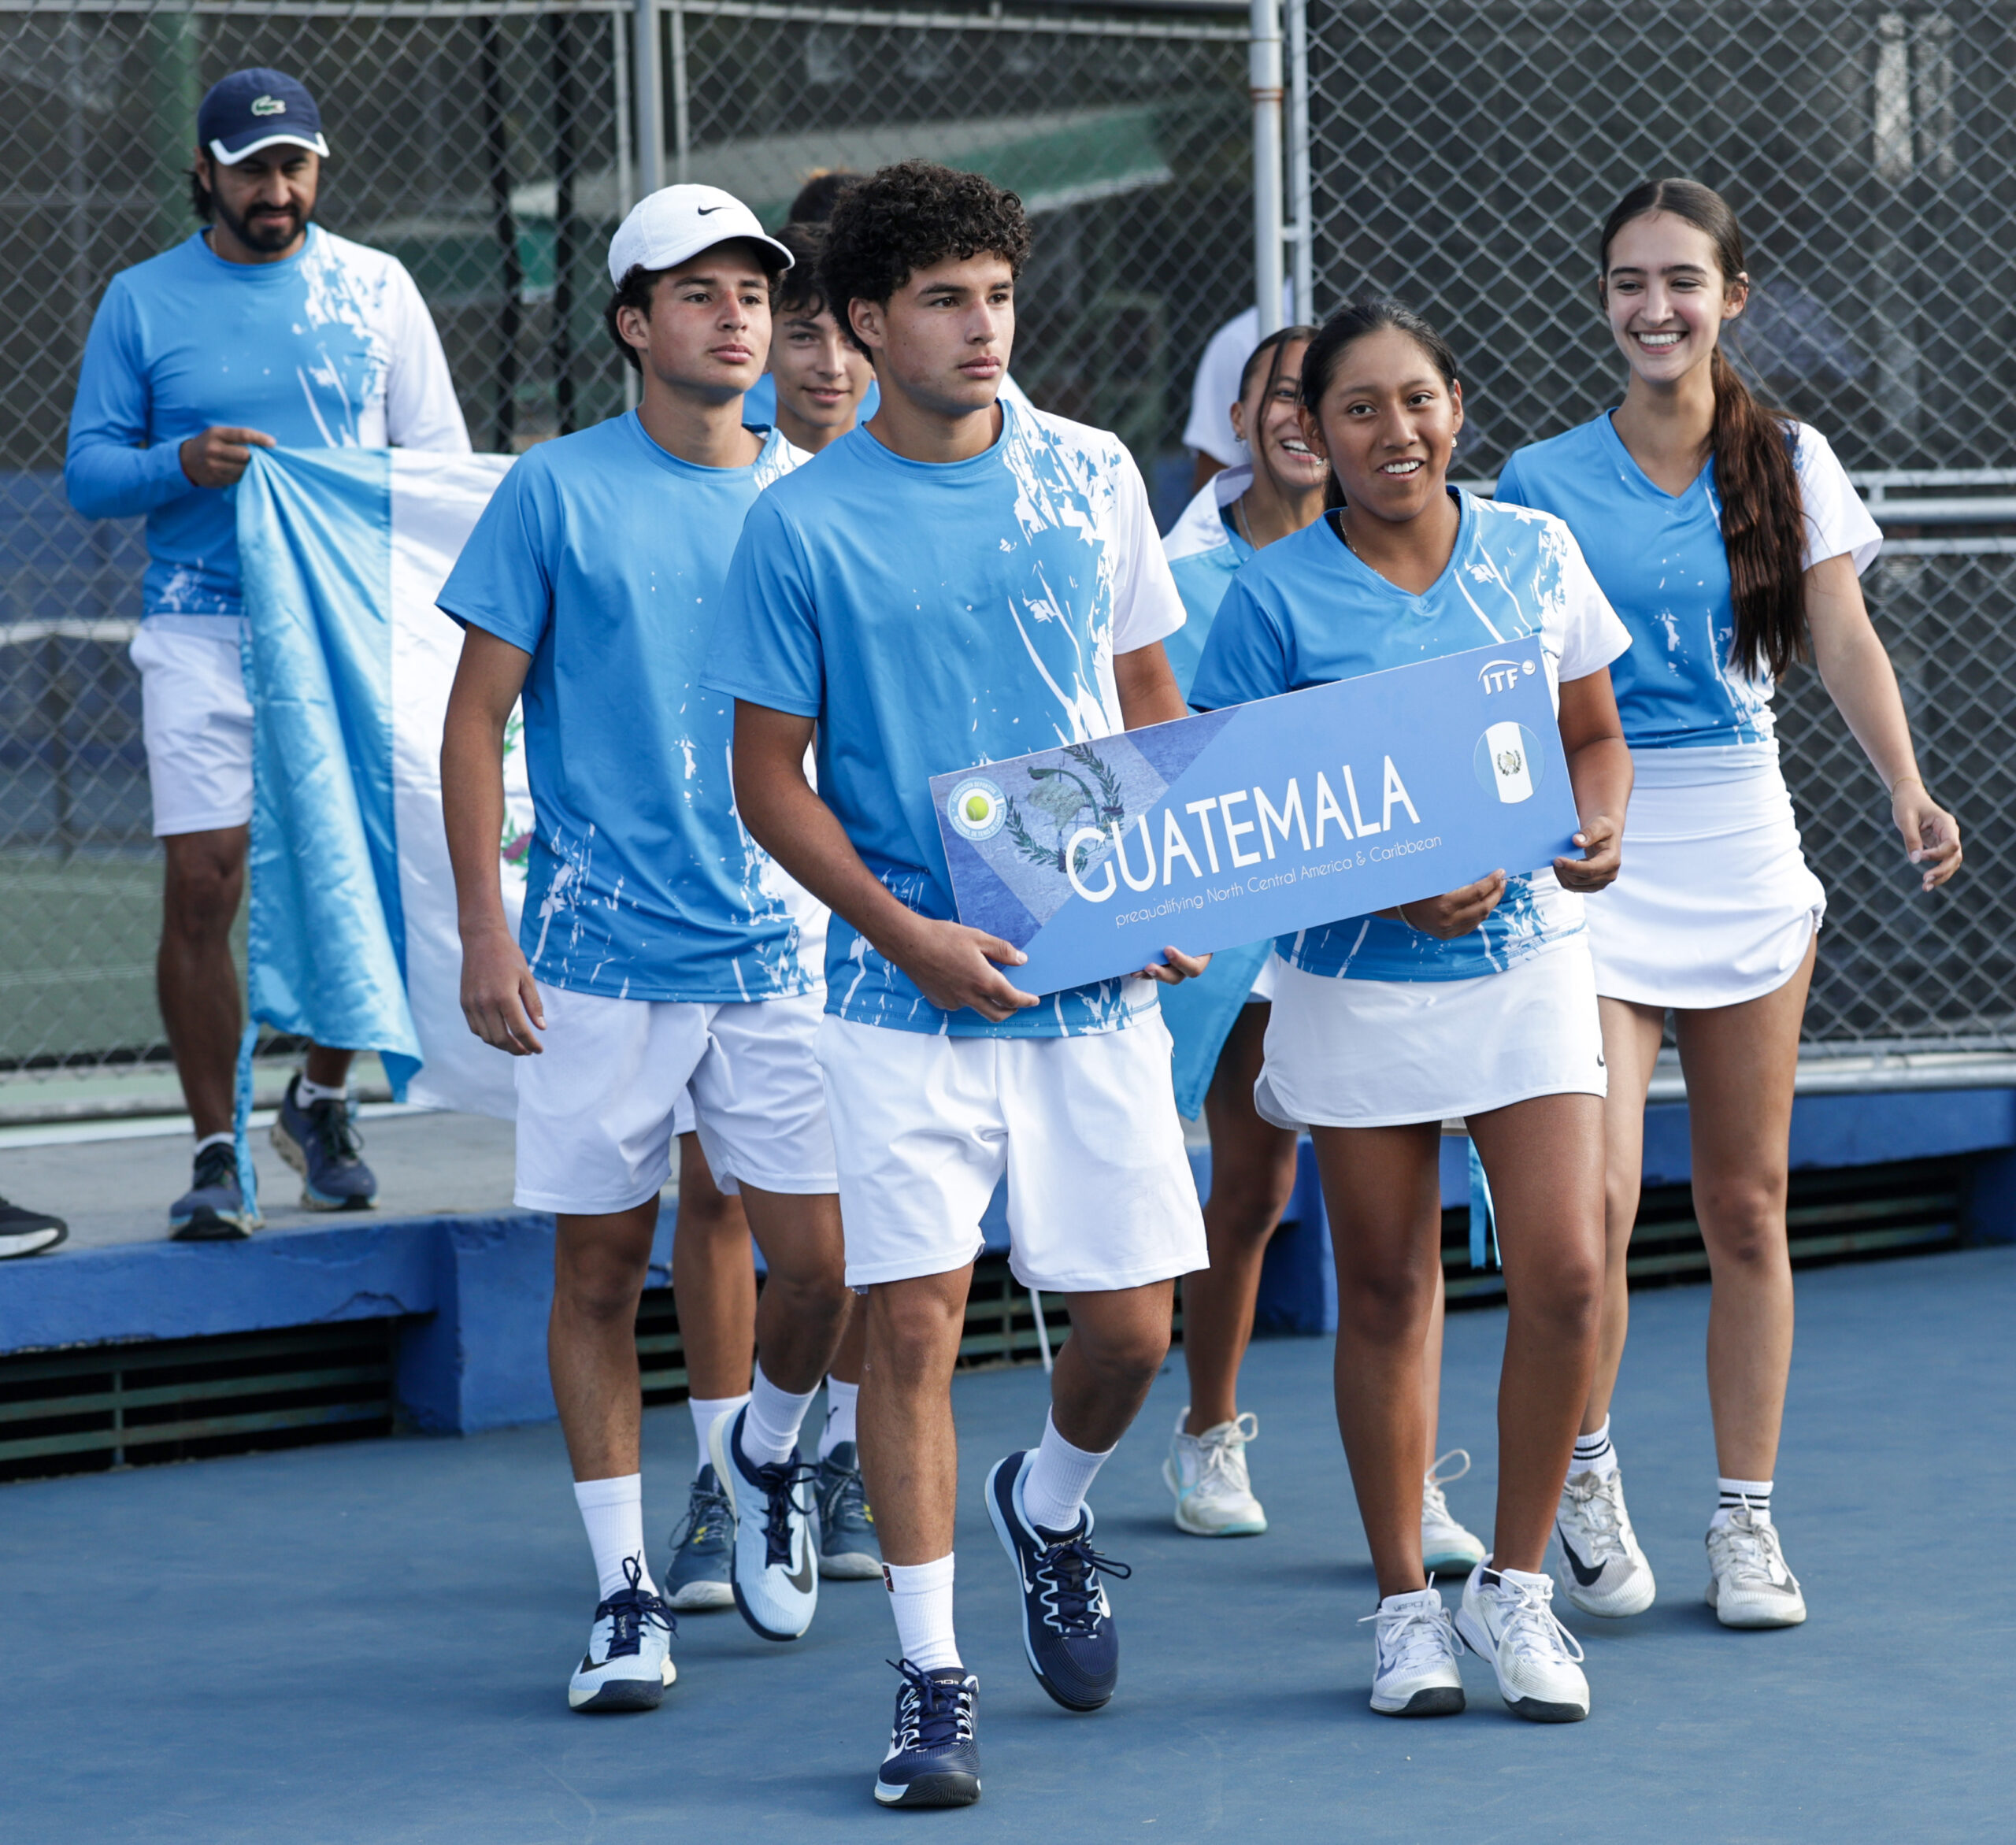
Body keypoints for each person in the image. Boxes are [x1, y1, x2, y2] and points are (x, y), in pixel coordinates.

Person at [709, 160, 1210, 1809]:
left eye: (996, 294)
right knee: (912, 1321)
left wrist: (1167, 880)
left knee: (1131, 1331)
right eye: (943, 299)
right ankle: (932, 1676)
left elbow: (1145, 689)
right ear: (863, 320)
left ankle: (1046, 1505)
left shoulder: (1092, 471)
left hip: (1091, 983)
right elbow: (768, 779)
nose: (982, 326)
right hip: (894, 996)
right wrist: (902, 929)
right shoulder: (797, 523)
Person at [1493, 177, 1962, 1631]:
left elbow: (1843, 632)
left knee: (1748, 1205)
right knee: (1595, 1209)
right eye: (1629, 281)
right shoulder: (1537, 480)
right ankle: (1582, 1470)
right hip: (1597, 848)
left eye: (1682, 280)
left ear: (1731, 297)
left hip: (1744, 847)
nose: (1656, 307)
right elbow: (1511, 680)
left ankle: (1746, 1521)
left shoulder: (1792, 456)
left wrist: (1907, 785)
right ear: (1603, 300)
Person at [437, 184, 853, 1713]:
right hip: (596, 962)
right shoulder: (552, 491)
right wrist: (486, 926)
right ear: (631, 322)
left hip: (780, 955)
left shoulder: (814, 500)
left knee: (824, 1266)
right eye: (697, 292)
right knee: (602, 1270)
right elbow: (473, 720)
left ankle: (760, 1465)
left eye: (751, 292)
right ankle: (625, 1592)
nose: (735, 316)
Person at [1192, 299, 1633, 1724]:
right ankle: (1404, 1607)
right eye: (1360, 408)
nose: (1397, 431)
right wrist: (1387, 888)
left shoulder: (1536, 552)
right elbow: (1231, 812)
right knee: (1385, 1288)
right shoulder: (1271, 597)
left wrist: (1601, 822)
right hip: (1353, 985)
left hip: (1528, 966)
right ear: (1310, 433)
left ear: (1458, 407)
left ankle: (1517, 1586)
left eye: (1419, 400)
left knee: (1569, 1271)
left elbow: (1593, 733)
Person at [64, 68, 469, 1239]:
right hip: (199, 621)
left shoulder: (378, 289)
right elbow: (90, 471)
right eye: (251, 170)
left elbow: (434, 462)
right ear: (205, 173)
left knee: (364, 865)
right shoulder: (141, 300)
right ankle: (215, 1148)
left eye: (295, 166)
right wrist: (179, 463)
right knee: (206, 880)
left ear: (318, 169)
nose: (276, 190)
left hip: (348, 624)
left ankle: (321, 1095)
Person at [1156, 325, 1488, 1581]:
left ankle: (1413, 1471)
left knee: (1401, 1221)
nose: (1300, 415)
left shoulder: (1425, 555)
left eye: (1322, 396)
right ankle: (1208, 1430)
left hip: (1383, 932)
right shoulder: (1176, 572)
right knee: (1250, 1189)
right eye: (1279, 395)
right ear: (1238, 416)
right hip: (1243, 925)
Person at [658, 226, 877, 1606]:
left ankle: (834, 1453)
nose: (826, 362)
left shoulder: (885, 501)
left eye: (847, 336)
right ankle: (719, 1473)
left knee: (861, 1209)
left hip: (866, 911)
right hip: (719, 905)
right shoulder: (727, 493)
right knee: (717, 1190)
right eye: (803, 333)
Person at [1181, 282, 1295, 492]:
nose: (1305, 417)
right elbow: (1215, 487)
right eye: (1286, 394)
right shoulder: (1239, 341)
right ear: (1238, 417)